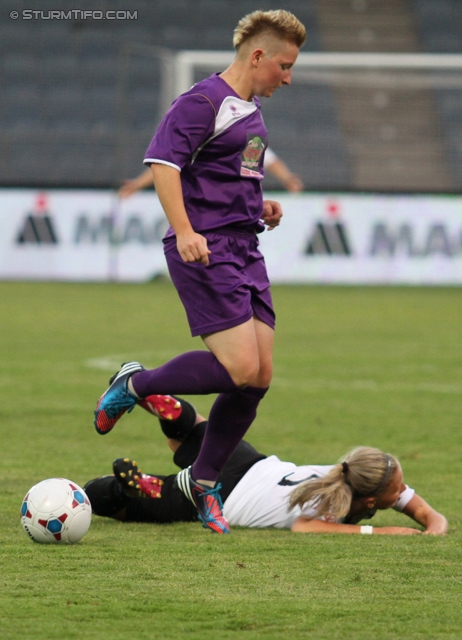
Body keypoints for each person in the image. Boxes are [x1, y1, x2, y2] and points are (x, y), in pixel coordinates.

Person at [93, 10, 307, 535]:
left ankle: (203, 483)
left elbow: (239, 176)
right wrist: (186, 229)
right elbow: (164, 164)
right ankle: (136, 382)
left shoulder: (251, 113)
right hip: (205, 249)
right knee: (237, 369)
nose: (288, 76)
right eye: (284, 64)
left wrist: (261, 207)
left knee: (257, 379)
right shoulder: (201, 101)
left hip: (244, 246)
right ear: (257, 56)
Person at [86, 395, 448, 535]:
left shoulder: (355, 475)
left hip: (247, 459)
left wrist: (431, 527)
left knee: (190, 432)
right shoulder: (335, 505)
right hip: (222, 497)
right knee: (99, 497)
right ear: (370, 500)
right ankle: (151, 487)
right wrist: (380, 533)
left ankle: (163, 402)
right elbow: (306, 528)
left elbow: (431, 516)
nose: (403, 492)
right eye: (398, 488)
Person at [117, 148, 304, 199]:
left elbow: (266, 159)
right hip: (204, 213)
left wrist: (287, 177)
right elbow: (168, 166)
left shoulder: (245, 137)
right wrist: (137, 184)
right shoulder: (201, 139)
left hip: (236, 217)